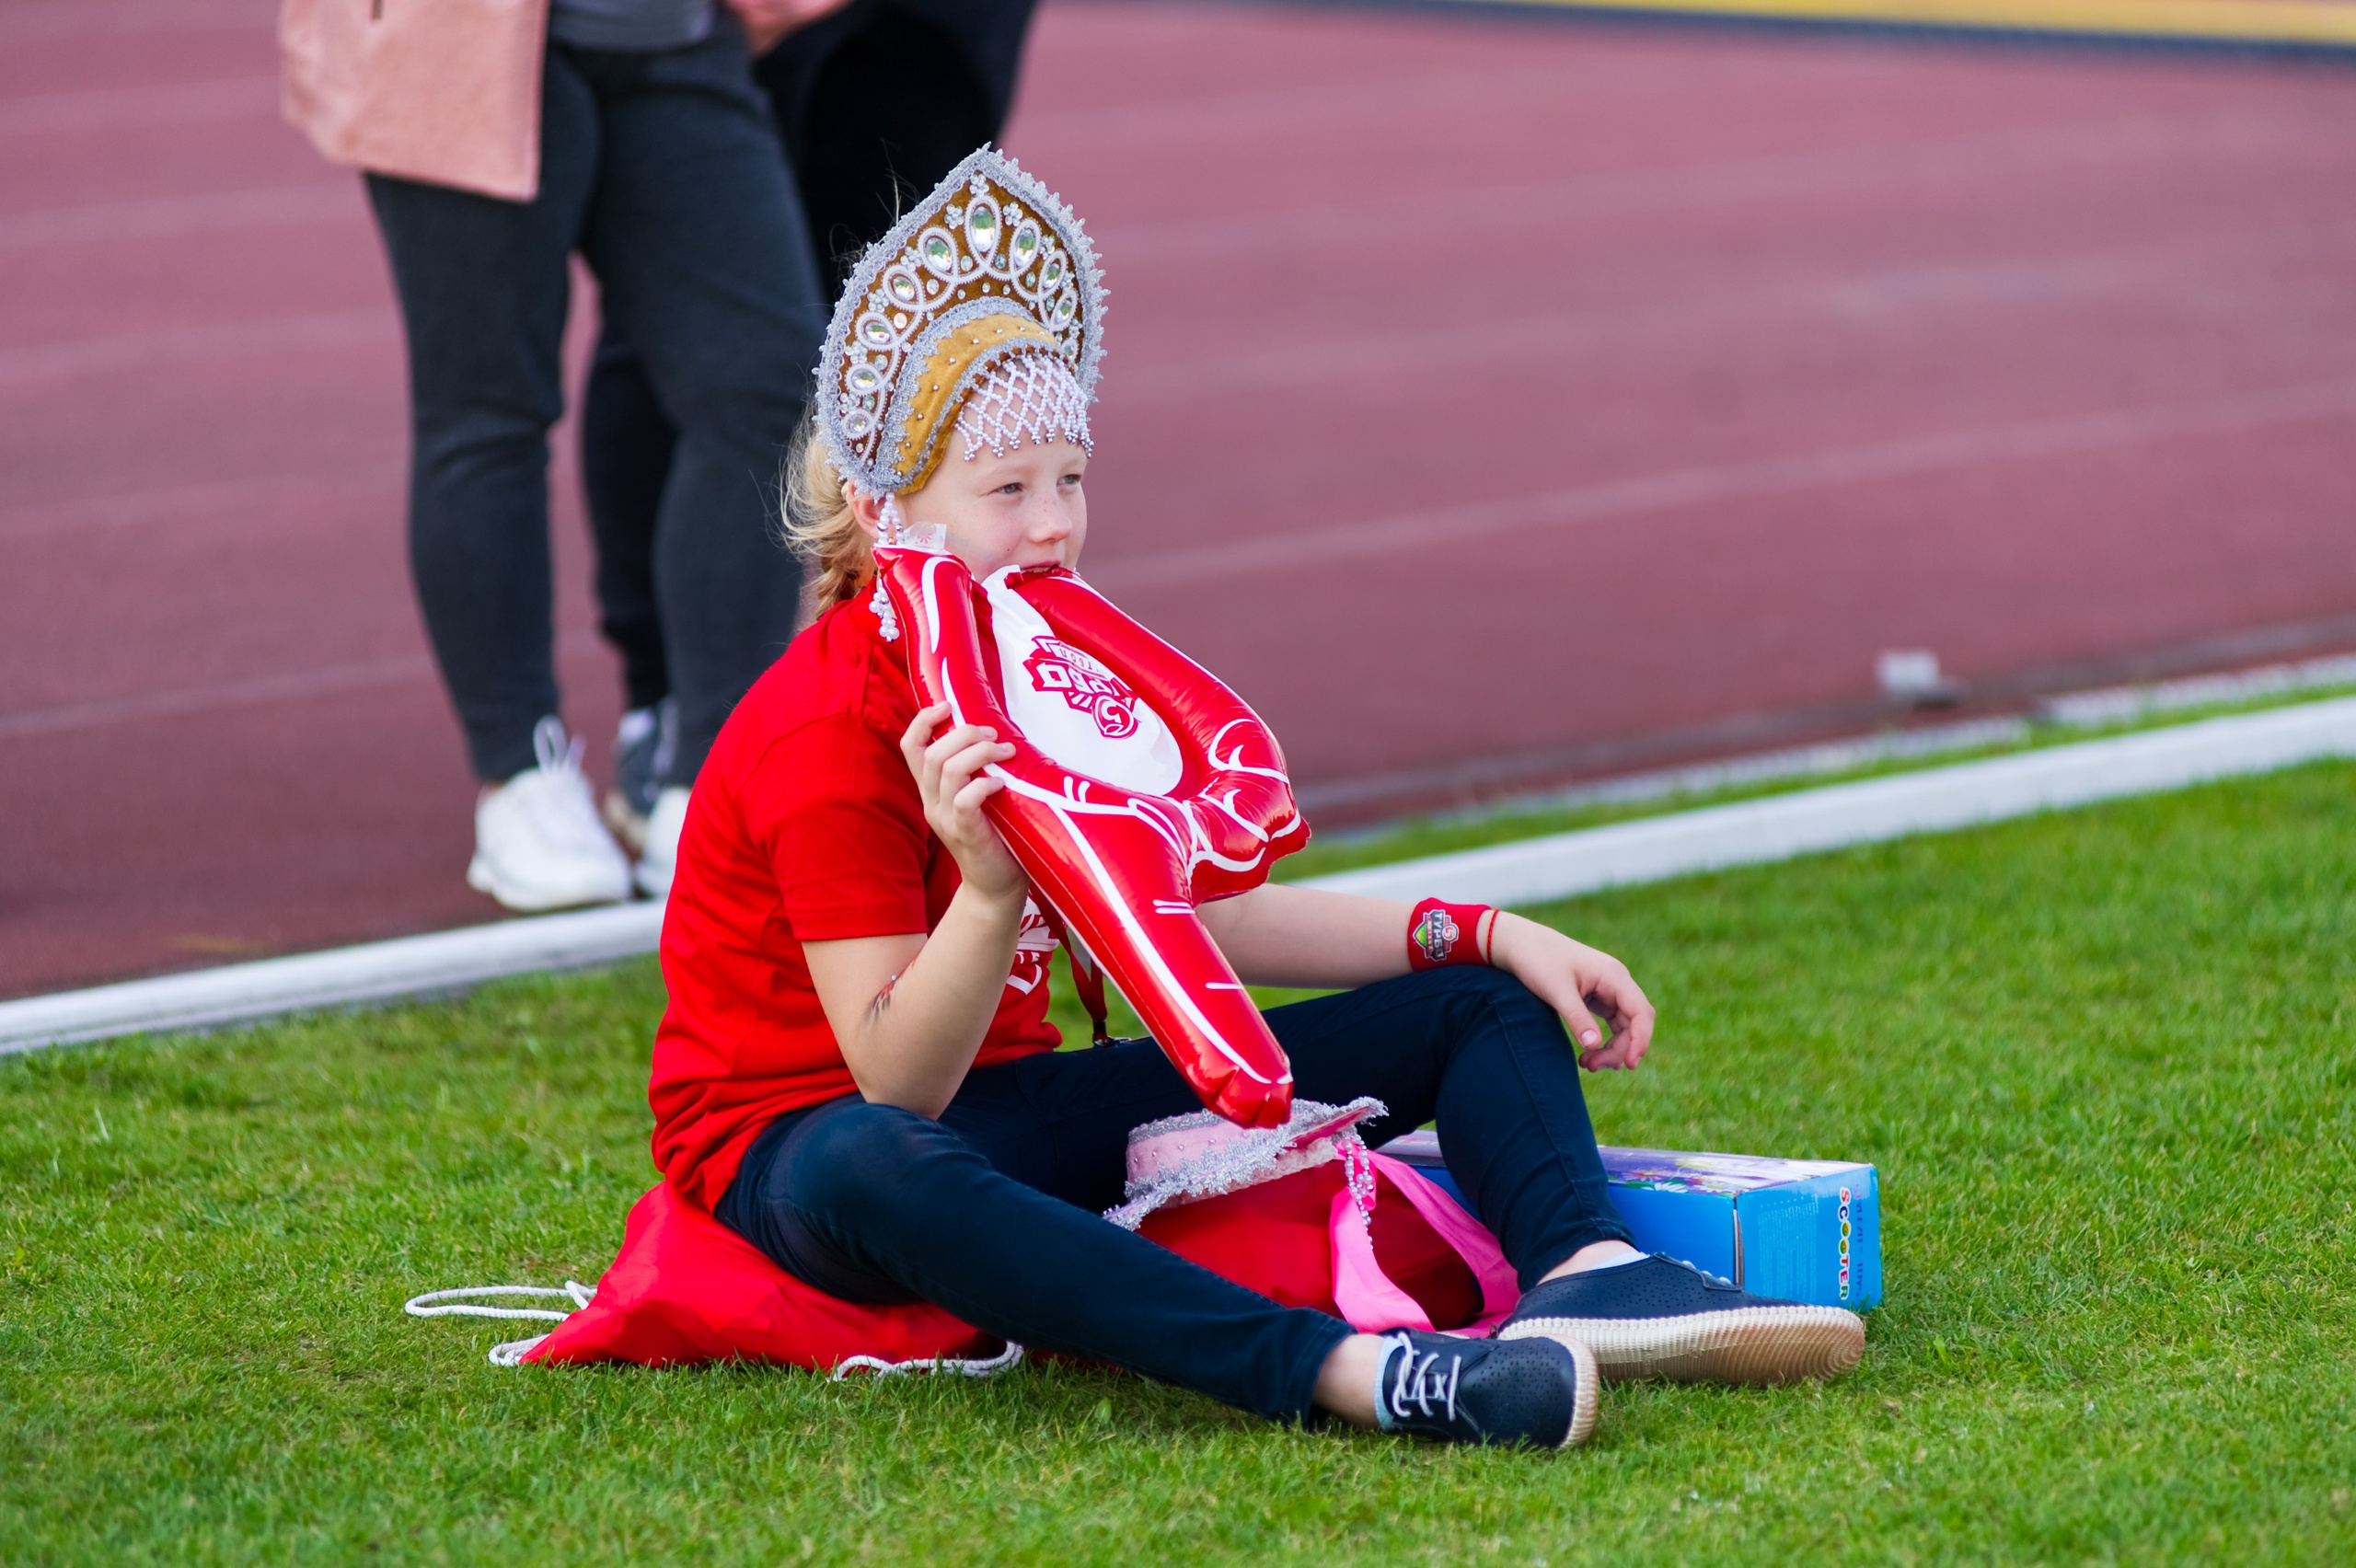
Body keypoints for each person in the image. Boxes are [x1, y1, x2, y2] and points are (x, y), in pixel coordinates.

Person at [646, 151, 1865, 1448]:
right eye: (1009, 491)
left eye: (1071, 478)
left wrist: (1490, 933)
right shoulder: (826, 727)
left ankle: (1589, 1277)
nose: (1057, 525)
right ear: (896, 518)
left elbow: (1199, 915)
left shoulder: (1039, 668)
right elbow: (894, 1081)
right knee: (880, 1163)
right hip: (817, 1147)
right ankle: (1355, 1374)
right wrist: (995, 885)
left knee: (1478, 1005)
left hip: (996, 1115)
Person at [281, 0, 830, 911]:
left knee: (768, 390)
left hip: (678, 38)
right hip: (461, 40)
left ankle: (711, 782)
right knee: (487, 411)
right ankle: (518, 775)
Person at [581, 0, 1039, 894]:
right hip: (754, 29)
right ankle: (665, 708)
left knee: (906, 314)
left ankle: (886, 693)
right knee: (687, 317)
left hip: (948, 24)